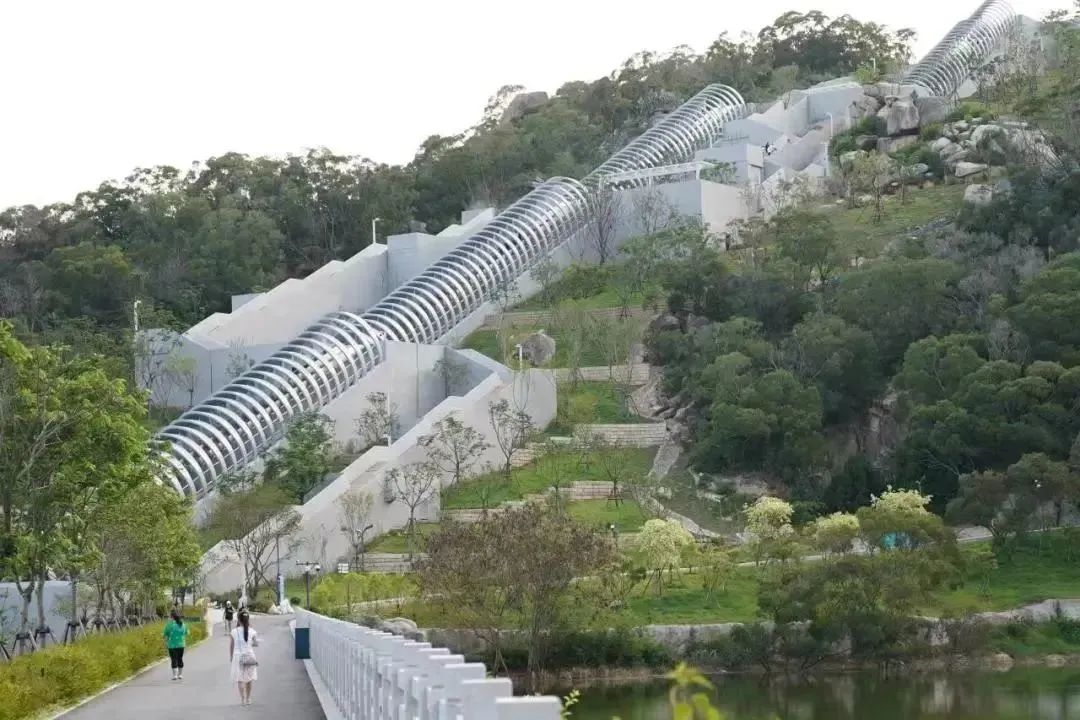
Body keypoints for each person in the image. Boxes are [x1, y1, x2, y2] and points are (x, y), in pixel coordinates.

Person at [229, 609, 259, 706]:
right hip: (249, 656)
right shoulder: (252, 631)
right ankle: (249, 698)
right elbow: (256, 644)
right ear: (248, 619)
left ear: (238, 619)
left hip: (238, 657)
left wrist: (231, 657)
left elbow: (232, 645)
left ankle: (243, 699)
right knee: (249, 679)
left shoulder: (234, 631)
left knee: (240, 679)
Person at [163, 610, 190, 681]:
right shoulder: (183, 624)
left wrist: (166, 642)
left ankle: (175, 675)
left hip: (172, 645)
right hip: (181, 645)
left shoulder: (169, 625)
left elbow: (164, 634)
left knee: (174, 659)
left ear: (171, 617)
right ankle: (180, 675)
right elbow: (187, 633)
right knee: (180, 659)